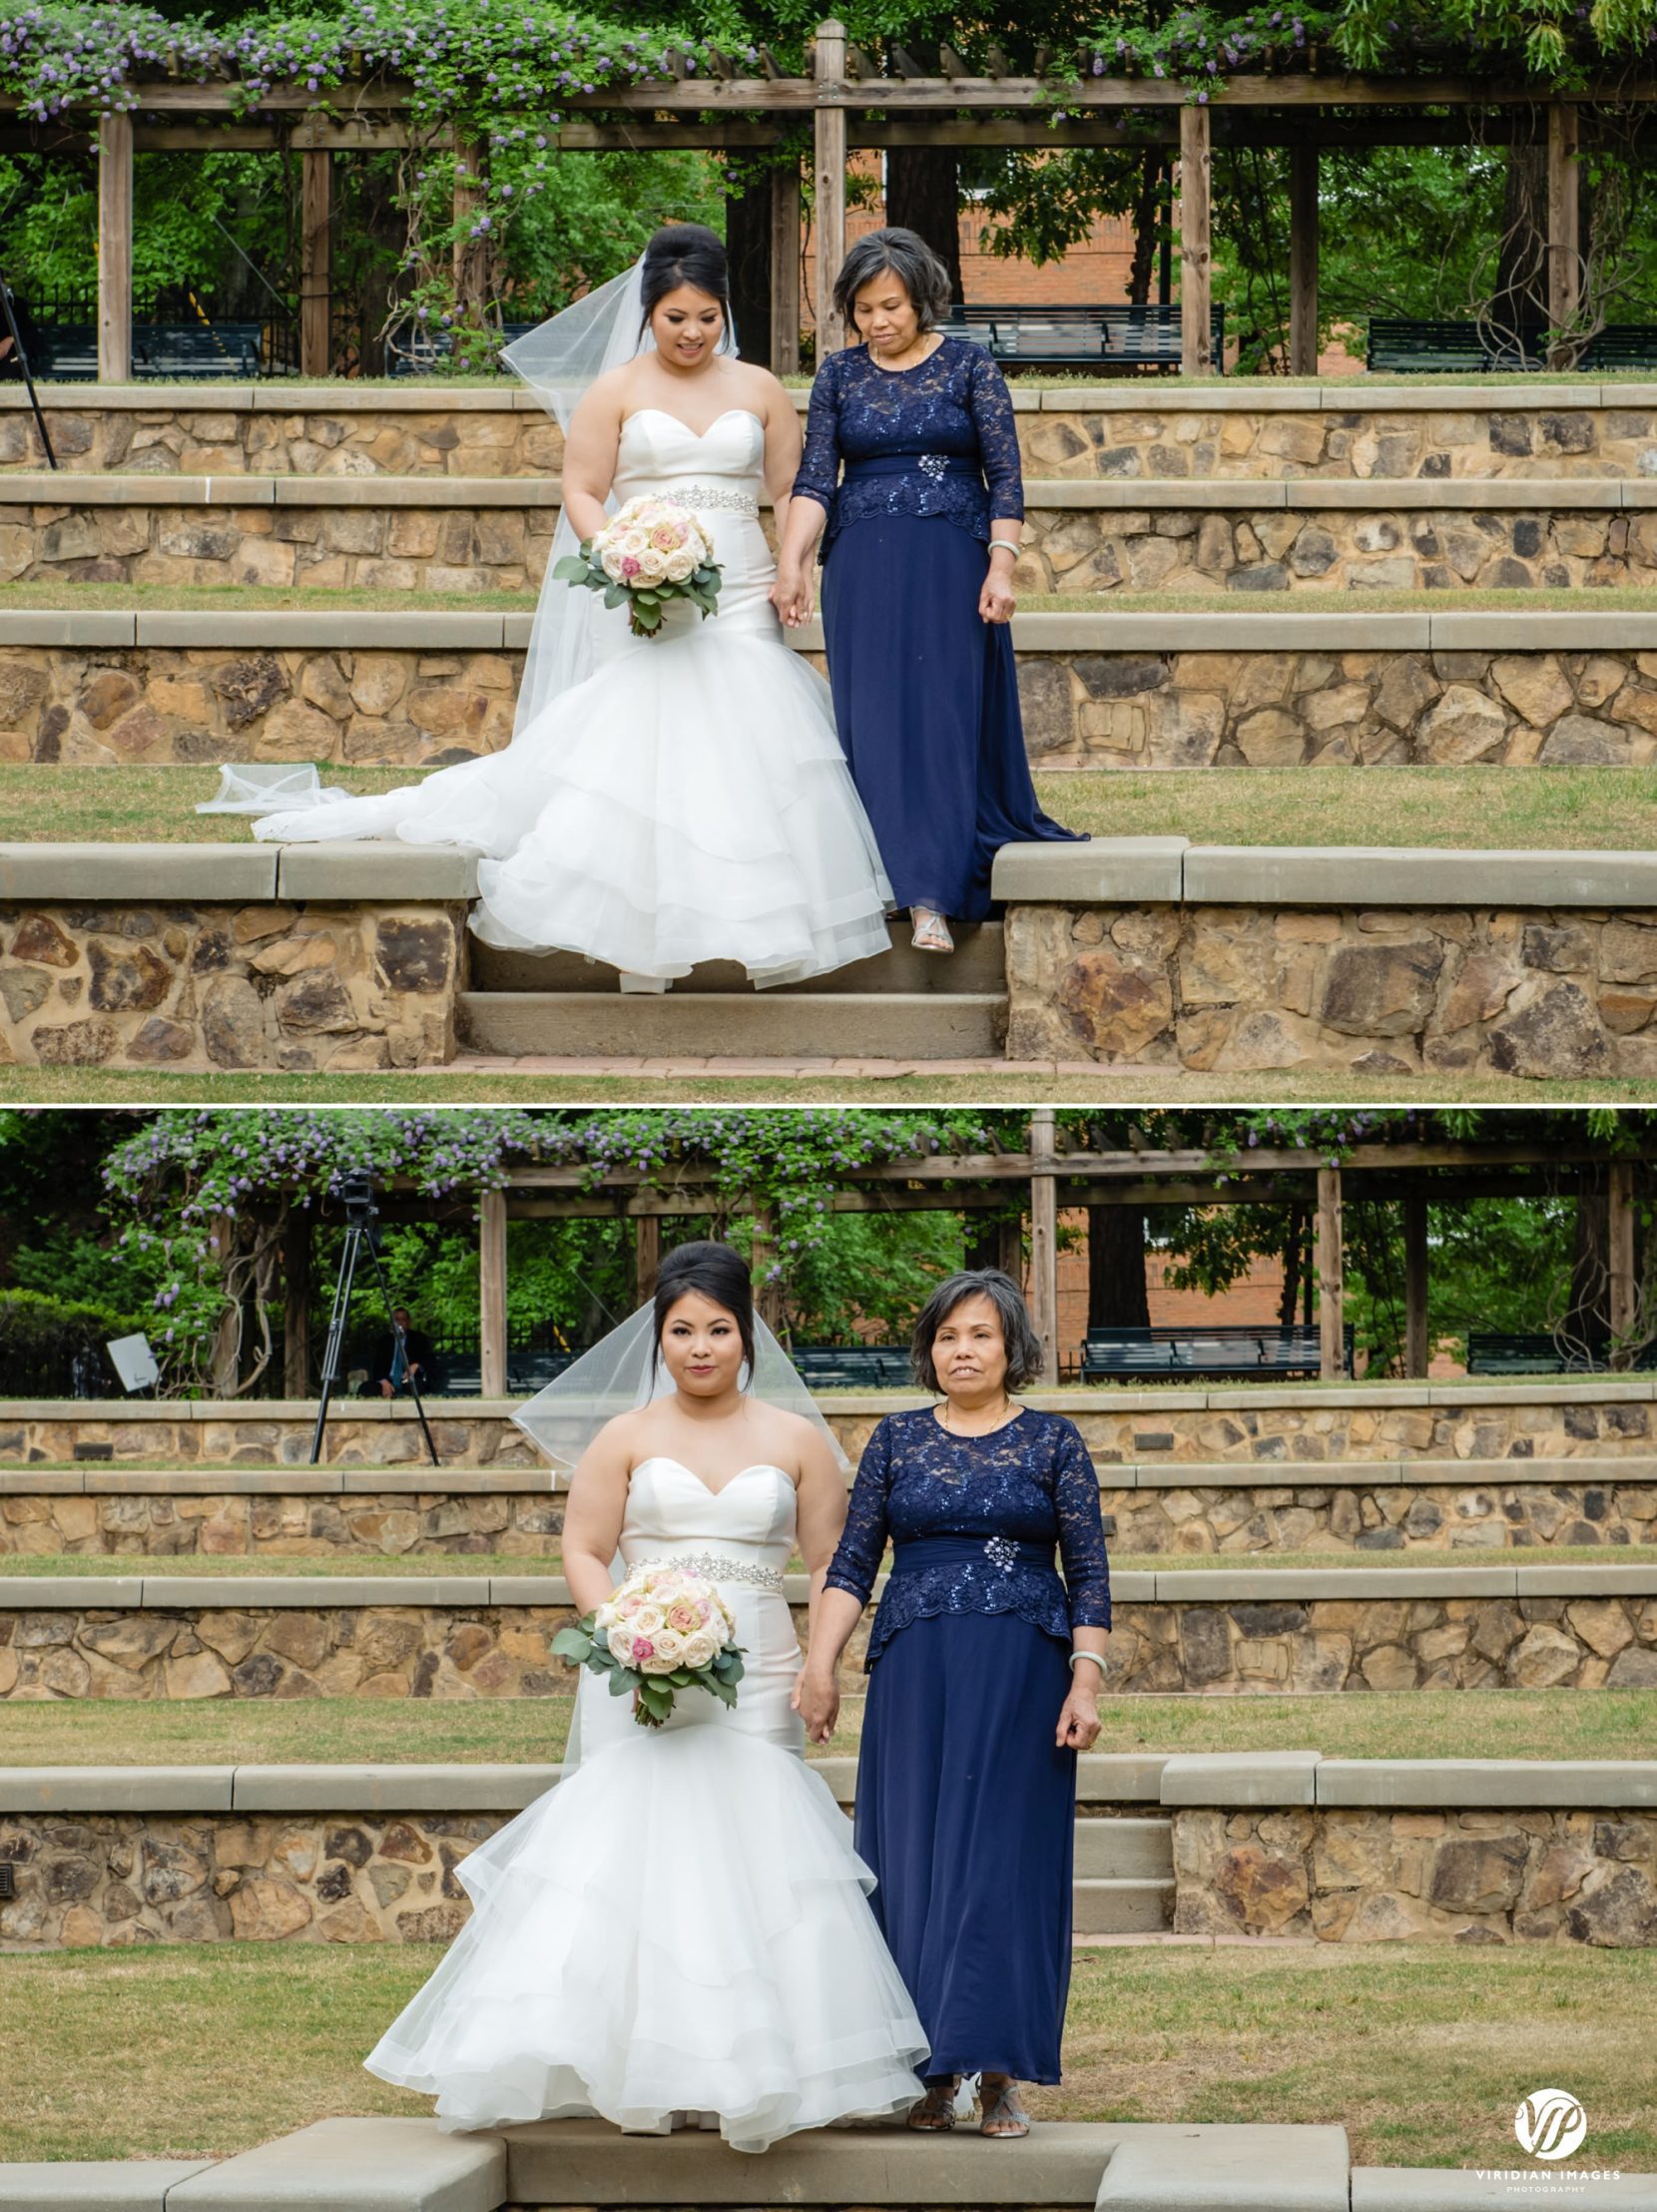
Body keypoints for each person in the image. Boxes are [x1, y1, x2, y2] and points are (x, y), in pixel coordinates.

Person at [363, 1242, 928, 2150]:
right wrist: (625, 1629)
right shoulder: (624, 1438)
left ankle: (761, 2066)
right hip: (637, 1667)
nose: (699, 1347)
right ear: (657, 1336)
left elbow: (837, 1564)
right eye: (681, 1330)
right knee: (636, 1847)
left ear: (748, 1335)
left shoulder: (794, 1441)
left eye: (718, 1329)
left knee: (754, 1849)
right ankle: (638, 2064)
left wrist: (823, 1664)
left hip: (761, 1670)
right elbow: (585, 1550)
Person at [252, 227, 893, 992]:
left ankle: (752, 917)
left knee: (753, 733)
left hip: (743, 588)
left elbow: (792, 488)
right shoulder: (614, 390)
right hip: (646, 586)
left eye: (708, 317)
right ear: (649, 313)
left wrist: (793, 565)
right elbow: (583, 492)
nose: (692, 333)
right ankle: (642, 926)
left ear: (726, 314)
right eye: (676, 318)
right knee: (643, 741)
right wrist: (625, 555)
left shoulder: (757, 388)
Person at [797, 1268, 1110, 2140]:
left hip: (1021, 1674)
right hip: (915, 1674)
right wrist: (821, 1665)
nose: (961, 1350)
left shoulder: (1054, 1443)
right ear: (928, 1351)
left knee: (1002, 1867)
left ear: (1012, 1348)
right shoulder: (895, 1441)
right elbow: (853, 1564)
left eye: (979, 1335)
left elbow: (1088, 1573)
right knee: (911, 1864)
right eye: (946, 1336)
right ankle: (930, 2074)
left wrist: (1086, 1678)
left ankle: (1001, 2072)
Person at [773, 229, 1084, 957]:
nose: (878, 323)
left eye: (893, 307)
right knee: (873, 721)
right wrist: (792, 560)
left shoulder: (971, 368)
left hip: (952, 561)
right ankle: (882, 877)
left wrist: (1001, 568)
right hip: (862, 567)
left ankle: (933, 897)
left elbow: (1006, 478)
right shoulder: (838, 377)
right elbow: (816, 481)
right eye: (864, 309)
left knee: (942, 719)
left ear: (922, 300)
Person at [371, 1308, 433, 1398]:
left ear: (408, 1323)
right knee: (366, 1389)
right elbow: (377, 1367)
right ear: (392, 1323)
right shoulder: (384, 1341)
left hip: (409, 1380)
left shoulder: (419, 1339)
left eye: (403, 1320)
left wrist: (416, 1365)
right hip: (388, 1380)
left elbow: (429, 1360)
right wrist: (383, 1382)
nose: (400, 1323)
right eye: (397, 1320)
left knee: (417, 1387)